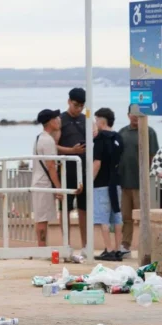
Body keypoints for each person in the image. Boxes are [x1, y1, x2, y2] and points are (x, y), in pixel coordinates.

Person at [118, 104, 159, 258]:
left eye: (138, 113)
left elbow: (153, 156)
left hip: (142, 185)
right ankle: (125, 245)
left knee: (143, 217)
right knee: (126, 217)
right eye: (132, 113)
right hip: (125, 184)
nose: (135, 116)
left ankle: (146, 246)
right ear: (128, 114)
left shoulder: (149, 132)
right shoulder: (122, 133)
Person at [56, 87, 87, 256]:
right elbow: (53, 145)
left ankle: (85, 245)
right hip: (66, 170)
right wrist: (71, 151)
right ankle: (66, 243)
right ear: (69, 102)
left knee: (84, 208)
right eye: (76, 105)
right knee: (65, 208)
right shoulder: (61, 120)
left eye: (81, 106)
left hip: (84, 170)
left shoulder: (85, 119)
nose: (78, 109)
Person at [92, 108, 124, 261]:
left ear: (102, 121)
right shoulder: (118, 137)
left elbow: (97, 162)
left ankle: (109, 249)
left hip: (102, 184)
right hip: (116, 182)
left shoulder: (100, 138)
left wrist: (88, 180)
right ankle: (118, 249)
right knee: (117, 216)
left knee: (103, 218)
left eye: (96, 120)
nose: (95, 123)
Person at [31, 109, 62, 247]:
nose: (59, 120)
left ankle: (42, 247)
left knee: (41, 218)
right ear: (50, 121)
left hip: (39, 182)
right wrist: (58, 187)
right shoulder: (47, 141)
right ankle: (42, 248)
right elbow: (51, 166)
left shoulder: (40, 138)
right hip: (44, 184)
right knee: (42, 219)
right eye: (56, 118)